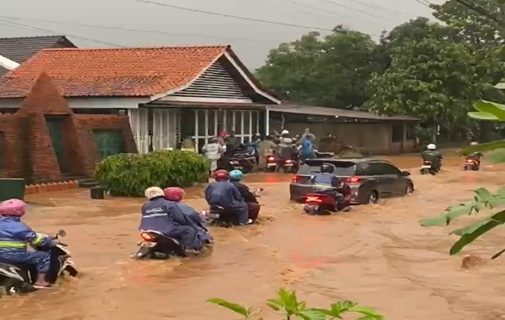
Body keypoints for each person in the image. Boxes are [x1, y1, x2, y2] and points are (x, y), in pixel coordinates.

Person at [0, 199, 56, 288]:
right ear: (21, 211)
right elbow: (36, 240)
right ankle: (40, 282)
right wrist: (49, 242)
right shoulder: (19, 227)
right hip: (13, 255)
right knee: (43, 256)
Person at [140, 187, 203, 252]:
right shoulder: (169, 204)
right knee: (189, 230)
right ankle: (190, 251)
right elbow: (180, 219)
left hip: (146, 230)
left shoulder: (145, 205)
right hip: (166, 230)